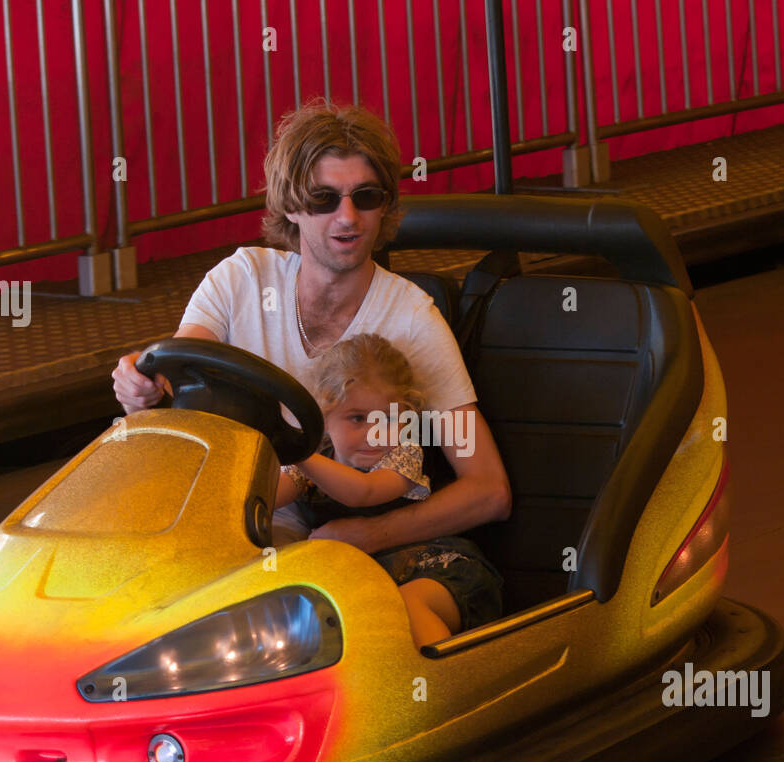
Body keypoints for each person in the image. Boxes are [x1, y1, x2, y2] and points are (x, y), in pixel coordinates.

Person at [112, 98, 511, 553]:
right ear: (292, 207)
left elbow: (488, 490)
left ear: (383, 208)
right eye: (324, 199)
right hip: (218, 511)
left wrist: (371, 534)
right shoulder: (241, 279)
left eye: (366, 197)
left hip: (306, 543)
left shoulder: (412, 320)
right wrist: (140, 388)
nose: (347, 217)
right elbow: (179, 373)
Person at [276, 333, 502, 648]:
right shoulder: (313, 460)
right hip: (368, 583)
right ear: (325, 417)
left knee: (406, 606)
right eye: (357, 418)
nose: (376, 434)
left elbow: (364, 492)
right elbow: (267, 497)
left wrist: (299, 454)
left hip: (438, 570)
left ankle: (444, 688)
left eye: (390, 419)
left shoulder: (404, 454)